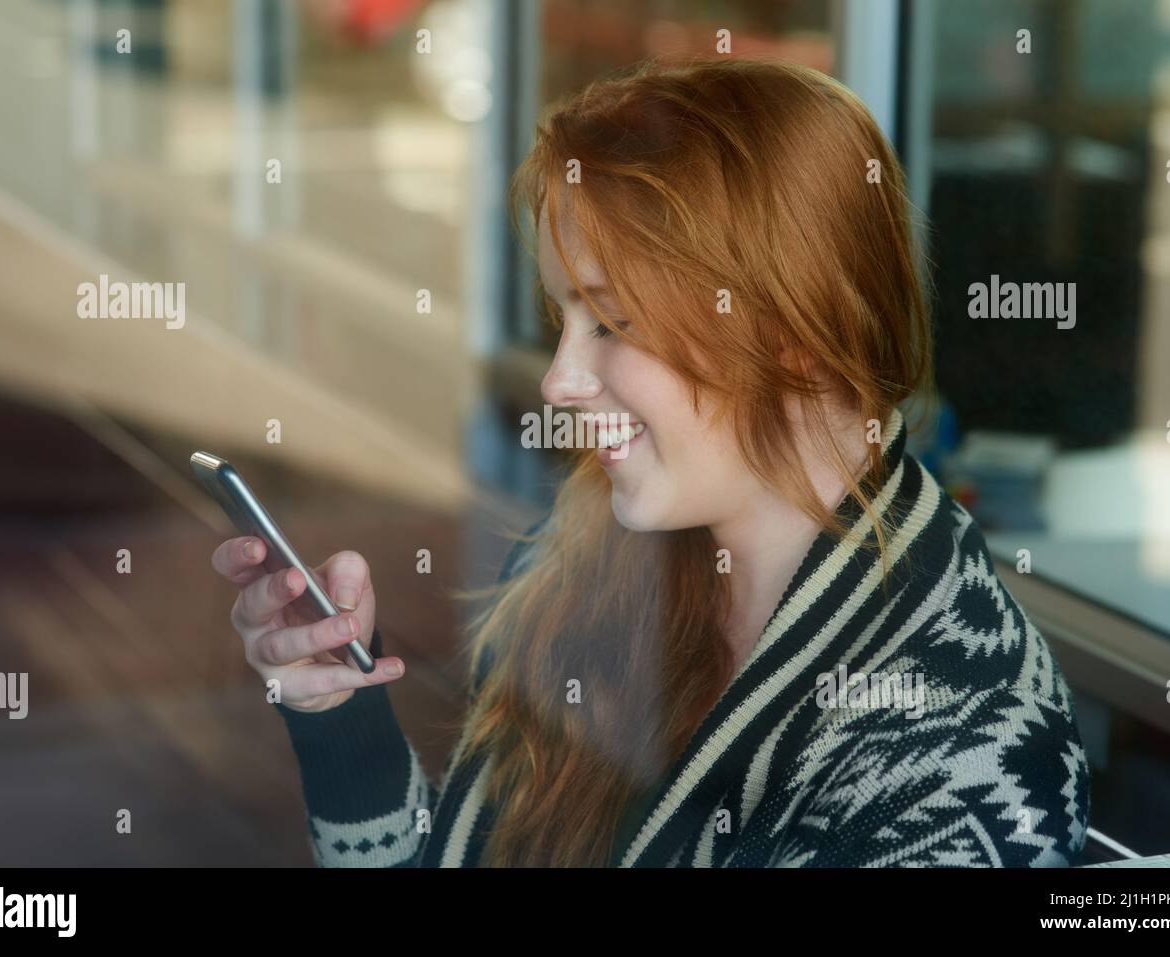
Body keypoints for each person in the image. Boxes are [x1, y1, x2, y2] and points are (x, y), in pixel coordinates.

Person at [210, 56, 1090, 867]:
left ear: (794, 337)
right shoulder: (588, 554)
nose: (560, 380)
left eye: (614, 322)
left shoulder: (964, 752)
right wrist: (343, 721)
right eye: (564, 320)